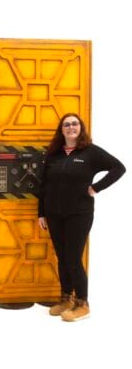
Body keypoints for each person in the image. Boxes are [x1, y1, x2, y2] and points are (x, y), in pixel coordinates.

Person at [38, 113, 126, 321]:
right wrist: (41, 212)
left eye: (75, 124)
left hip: (79, 214)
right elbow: (45, 185)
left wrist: (96, 187)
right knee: (62, 257)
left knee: (73, 258)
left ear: (81, 128)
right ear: (61, 130)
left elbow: (119, 168)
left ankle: (82, 303)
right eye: (66, 124)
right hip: (54, 214)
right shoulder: (54, 154)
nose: (71, 127)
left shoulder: (91, 152)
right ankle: (66, 298)